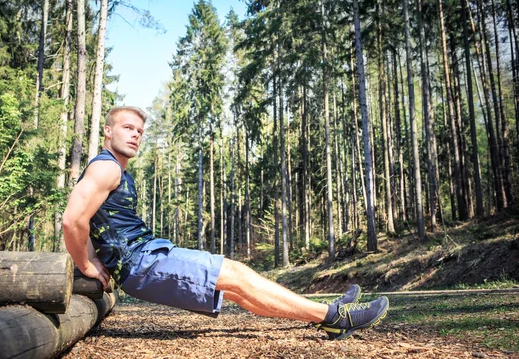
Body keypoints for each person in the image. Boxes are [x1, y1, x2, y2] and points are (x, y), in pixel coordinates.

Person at [62, 106, 389, 341]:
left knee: (237, 287)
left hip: (148, 257)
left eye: (139, 131)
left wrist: (91, 257)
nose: (135, 135)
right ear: (108, 131)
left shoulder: (113, 170)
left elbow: (88, 220)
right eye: (127, 128)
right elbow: (72, 219)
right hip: (142, 263)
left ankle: (323, 312)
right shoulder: (105, 168)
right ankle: (335, 317)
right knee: (235, 273)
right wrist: (86, 265)